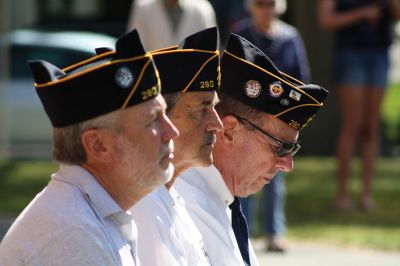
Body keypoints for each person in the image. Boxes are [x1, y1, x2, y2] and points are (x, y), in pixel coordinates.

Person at [0, 29, 179, 265]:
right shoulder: (74, 233)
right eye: (153, 120)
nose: (172, 131)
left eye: (165, 114)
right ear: (98, 145)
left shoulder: (89, 214)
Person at [174, 33, 329, 266]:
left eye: (292, 149)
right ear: (228, 132)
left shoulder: (220, 201)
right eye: (280, 147)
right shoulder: (183, 205)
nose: (287, 165)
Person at [129, 27, 223, 266]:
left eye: (214, 108)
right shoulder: (145, 207)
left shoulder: (169, 195)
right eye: (202, 109)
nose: (217, 125)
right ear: (161, 119)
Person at [232, 0, 310, 252]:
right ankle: (243, 230)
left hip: (281, 121)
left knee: (276, 176)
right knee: (245, 172)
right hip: (248, 120)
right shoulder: (240, 33)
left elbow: (302, 79)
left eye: (270, 3)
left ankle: (274, 232)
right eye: (260, 3)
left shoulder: (290, 36)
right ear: (251, 6)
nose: (266, 9)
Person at [317, 0, 400, 211]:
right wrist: (362, 14)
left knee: (371, 126)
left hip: (379, 54)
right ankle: (342, 195)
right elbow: (326, 20)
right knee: (352, 125)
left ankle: (366, 195)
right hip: (350, 55)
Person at [127, 0, 217, 51]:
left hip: (192, 82)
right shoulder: (142, 8)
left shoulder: (203, 10)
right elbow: (135, 53)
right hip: (153, 82)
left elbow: (210, 55)